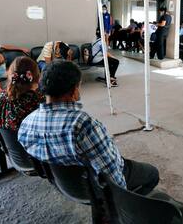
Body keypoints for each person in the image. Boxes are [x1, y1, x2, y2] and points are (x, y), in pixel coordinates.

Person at [18, 61, 159, 194]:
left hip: (65, 186)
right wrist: (120, 201)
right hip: (95, 189)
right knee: (152, 173)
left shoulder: (26, 124)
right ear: (74, 91)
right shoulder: (82, 125)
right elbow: (112, 176)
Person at [0, 56, 44, 131]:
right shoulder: (36, 98)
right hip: (26, 142)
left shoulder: (1, 95)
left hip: (4, 142)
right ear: (36, 74)